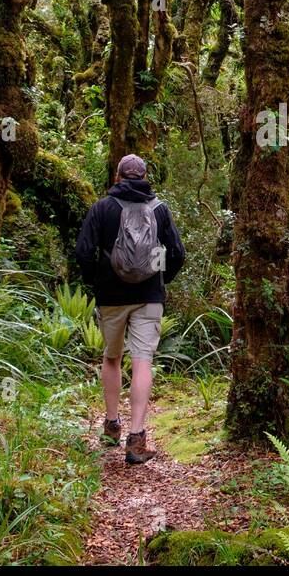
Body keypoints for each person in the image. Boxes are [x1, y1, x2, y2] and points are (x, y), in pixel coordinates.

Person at [75, 154, 185, 464]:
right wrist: (160, 276)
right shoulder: (159, 209)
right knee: (142, 362)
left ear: (118, 177)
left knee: (111, 358)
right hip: (149, 295)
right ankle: (136, 439)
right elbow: (176, 253)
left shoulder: (101, 208)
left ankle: (111, 424)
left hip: (110, 297)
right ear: (146, 177)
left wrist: (97, 280)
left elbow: (83, 252)